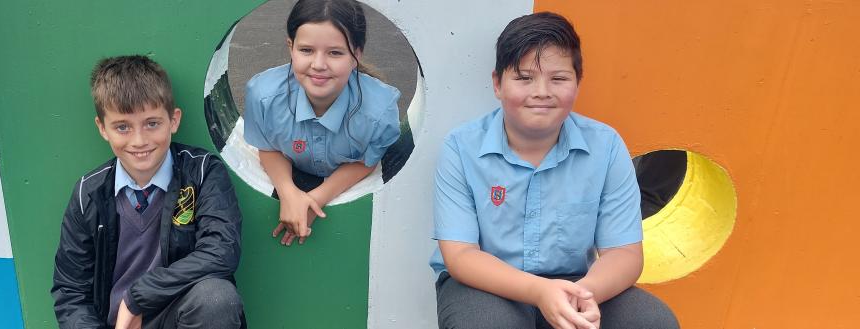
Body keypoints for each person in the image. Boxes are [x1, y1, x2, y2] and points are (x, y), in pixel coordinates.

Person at [430, 12, 679, 329]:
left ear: (578, 82)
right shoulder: (461, 148)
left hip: (578, 282)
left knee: (653, 322)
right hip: (486, 285)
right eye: (524, 78)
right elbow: (461, 255)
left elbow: (624, 254)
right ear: (497, 83)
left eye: (558, 78)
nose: (542, 91)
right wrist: (538, 291)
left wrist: (583, 294)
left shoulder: (606, 146)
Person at [51, 55, 244, 329]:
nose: (139, 141)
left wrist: (138, 297)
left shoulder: (201, 172)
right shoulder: (89, 193)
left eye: (152, 123)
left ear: (173, 120)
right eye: (122, 127)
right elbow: (70, 291)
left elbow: (221, 251)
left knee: (216, 298)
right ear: (102, 128)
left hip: (178, 318)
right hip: (116, 325)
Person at [243, 0, 401, 246]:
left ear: (356, 54)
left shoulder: (378, 111)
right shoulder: (263, 95)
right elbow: (269, 147)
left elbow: (365, 161)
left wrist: (314, 200)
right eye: (306, 50)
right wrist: (288, 193)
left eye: (335, 52)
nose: (318, 64)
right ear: (290, 47)